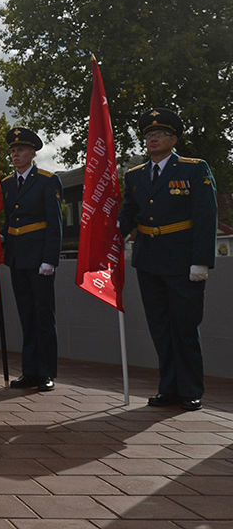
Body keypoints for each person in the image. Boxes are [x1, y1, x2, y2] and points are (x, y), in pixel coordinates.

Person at [117, 108, 217, 411]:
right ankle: (168, 387)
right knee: (160, 327)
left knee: (184, 328)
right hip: (148, 260)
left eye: (159, 134)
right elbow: (128, 213)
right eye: (148, 135)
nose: (152, 139)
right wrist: (111, 236)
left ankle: (189, 389)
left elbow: (205, 217)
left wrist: (201, 261)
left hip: (183, 260)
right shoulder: (135, 174)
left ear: (174, 138)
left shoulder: (193, 169)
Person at [0, 127, 63, 392]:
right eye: (13, 151)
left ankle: (46, 371)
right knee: (26, 316)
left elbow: (54, 223)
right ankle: (29, 371)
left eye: (21, 150)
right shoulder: (6, 183)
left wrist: (50, 259)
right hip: (17, 257)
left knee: (43, 317)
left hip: (39, 259)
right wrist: (0, 239)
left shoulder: (48, 180)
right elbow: (8, 220)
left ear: (33, 153)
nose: (16, 155)